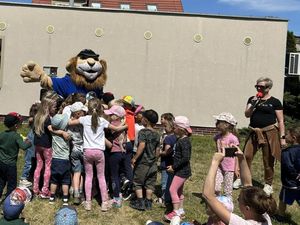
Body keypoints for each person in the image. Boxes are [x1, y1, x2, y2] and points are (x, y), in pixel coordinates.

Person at [68, 98, 128, 212]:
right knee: (101, 177)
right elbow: (116, 128)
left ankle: (88, 202)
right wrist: (125, 125)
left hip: (87, 151)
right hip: (99, 152)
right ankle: (104, 202)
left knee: (89, 177)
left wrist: (70, 116)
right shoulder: (102, 121)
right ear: (100, 109)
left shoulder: (84, 119)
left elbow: (70, 122)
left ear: (88, 109)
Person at [203, 146, 277, 225]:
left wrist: (215, 162)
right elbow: (247, 183)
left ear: (247, 208)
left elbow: (208, 196)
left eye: (239, 199)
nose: (237, 199)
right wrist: (241, 158)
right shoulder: (264, 215)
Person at [244, 77, 286, 196]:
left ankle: (268, 184)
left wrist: (282, 138)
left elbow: (281, 121)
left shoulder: (275, 102)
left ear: (268, 88)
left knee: (268, 159)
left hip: (269, 133)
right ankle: (244, 178)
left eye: (261, 86)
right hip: (254, 132)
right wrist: (253, 104)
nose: (258, 88)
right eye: (257, 86)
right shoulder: (252, 99)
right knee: (246, 155)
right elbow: (247, 114)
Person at [130, 109, 160, 211]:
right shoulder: (157, 134)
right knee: (150, 183)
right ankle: (148, 203)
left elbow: (142, 146)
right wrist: (155, 159)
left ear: (146, 121)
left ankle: (140, 202)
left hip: (143, 162)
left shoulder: (143, 132)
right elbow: (157, 149)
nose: (141, 119)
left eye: (142, 118)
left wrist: (134, 158)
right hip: (153, 163)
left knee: (137, 182)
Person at [164, 116, 192, 221]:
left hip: (182, 171)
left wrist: (174, 167)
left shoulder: (184, 141)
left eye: (174, 126)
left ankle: (175, 212)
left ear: (180, 129)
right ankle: (181, 210)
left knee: (172, 189)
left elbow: (186, 158)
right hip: (180, 170)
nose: (173, 128)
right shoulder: (180, 139)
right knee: (179, 191)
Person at [32, 93, 61, 198]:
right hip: (46, 146)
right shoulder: (48, 119)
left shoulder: (38, 116)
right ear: (48, 107)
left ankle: (35, 188)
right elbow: (51, 130)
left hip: (37, 144)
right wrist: (61, 133)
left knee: (39, 165)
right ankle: (45, 190)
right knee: (48, 166)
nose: (55, 108)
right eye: (54, 106)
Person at [0, 113, 32, 201]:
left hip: (1, 163)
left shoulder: (2, 134)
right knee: (11, 184)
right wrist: (29, 142)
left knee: (1, 182)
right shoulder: (16, 136)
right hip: (11, 165)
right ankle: (8, 201)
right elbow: (24, 147)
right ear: (16, 126)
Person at [104, 105, 130, 208]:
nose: (109, 116)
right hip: (122, 152)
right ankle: (118, 193)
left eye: (111, 114)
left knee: (113, 176)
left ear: (117, 116)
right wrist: (124, 123)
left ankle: (116, 199)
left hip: (115, 153)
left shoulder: (113, 124)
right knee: (118, 175)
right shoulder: (122, 123)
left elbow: (113, 130)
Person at [275, 125, 300, 222]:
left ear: (293, 138)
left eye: (287, 135)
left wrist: (295, 175)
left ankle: (280, 216)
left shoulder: (287, 152)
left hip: (289, 184)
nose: (284, 136)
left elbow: (288, 167)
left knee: (282, 199)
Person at [213, 112, 239, 198]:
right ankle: (217, 202)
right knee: (216, 188)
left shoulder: (233, 139)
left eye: (218, 122)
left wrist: (236, 168)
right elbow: (217, 149)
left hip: (229, 168)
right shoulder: (217, 137)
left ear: (226, 125)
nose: (216, 124)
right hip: (219, 166)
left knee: (228, 191)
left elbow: (237, 154)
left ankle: (228, 206)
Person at [49, 114, 72, 206]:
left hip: (55, 159)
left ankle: (52, 197)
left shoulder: (53, 133)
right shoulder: (67, 134)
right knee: (65, 180)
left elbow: (50, 127)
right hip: (65, 160)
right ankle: (65, 199)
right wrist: (63, 132)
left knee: (54, 180)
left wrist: (58, 131)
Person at [68, 102, 87, 205]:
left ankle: (75, 194)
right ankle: (80, 191)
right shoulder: (84, 121)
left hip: (74, 149)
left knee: (76, 172)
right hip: (84, 149)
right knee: (83, 173)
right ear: (78, 113)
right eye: (83, 111)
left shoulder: (69, 121)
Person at [19, 102, 40, 187]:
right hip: (31, 142)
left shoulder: (32, 119)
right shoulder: (34, 119)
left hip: (32, 141)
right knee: (29, 161)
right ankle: (23, 178)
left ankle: (29, 177)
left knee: (32, 161)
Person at [158, 113, 176, 207]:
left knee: (165, 181)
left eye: (165, 126)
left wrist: (158, 153)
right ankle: (169, 198)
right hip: (171, 162)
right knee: (170, 180)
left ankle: (165, 199)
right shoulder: (175, 137)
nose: (164, 128)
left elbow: (166, 151)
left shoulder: (169, 138)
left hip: (166, 161)